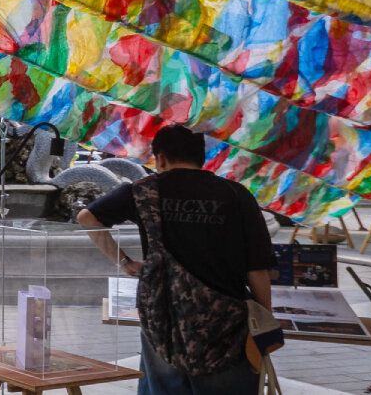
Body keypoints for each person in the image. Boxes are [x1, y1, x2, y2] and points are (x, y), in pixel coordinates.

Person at [78, 124, 275, 395]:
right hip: (227, 326)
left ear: (160, 158)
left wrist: (125, 262)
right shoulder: (235, 194)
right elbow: (257, 268)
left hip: (163, 322)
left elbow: (87, 218)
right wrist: (264, 320)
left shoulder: (143, 191)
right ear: (202, 157)